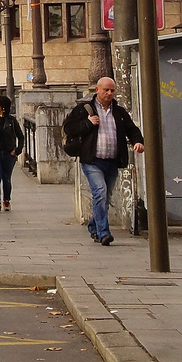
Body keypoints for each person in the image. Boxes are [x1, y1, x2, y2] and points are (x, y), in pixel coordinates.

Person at [62, 77, 144, 246]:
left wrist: (138, 141)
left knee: (105, 197)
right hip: (92, 161)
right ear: (97, 90)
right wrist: (87, 123)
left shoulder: (119, 112)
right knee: (100, 192)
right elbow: (68, 128)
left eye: (112, 90)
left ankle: (94, 225)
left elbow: (132, 129)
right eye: (106, 90)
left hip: (112, 161)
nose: (109, 93)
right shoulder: (84, 109)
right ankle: (104, 233)